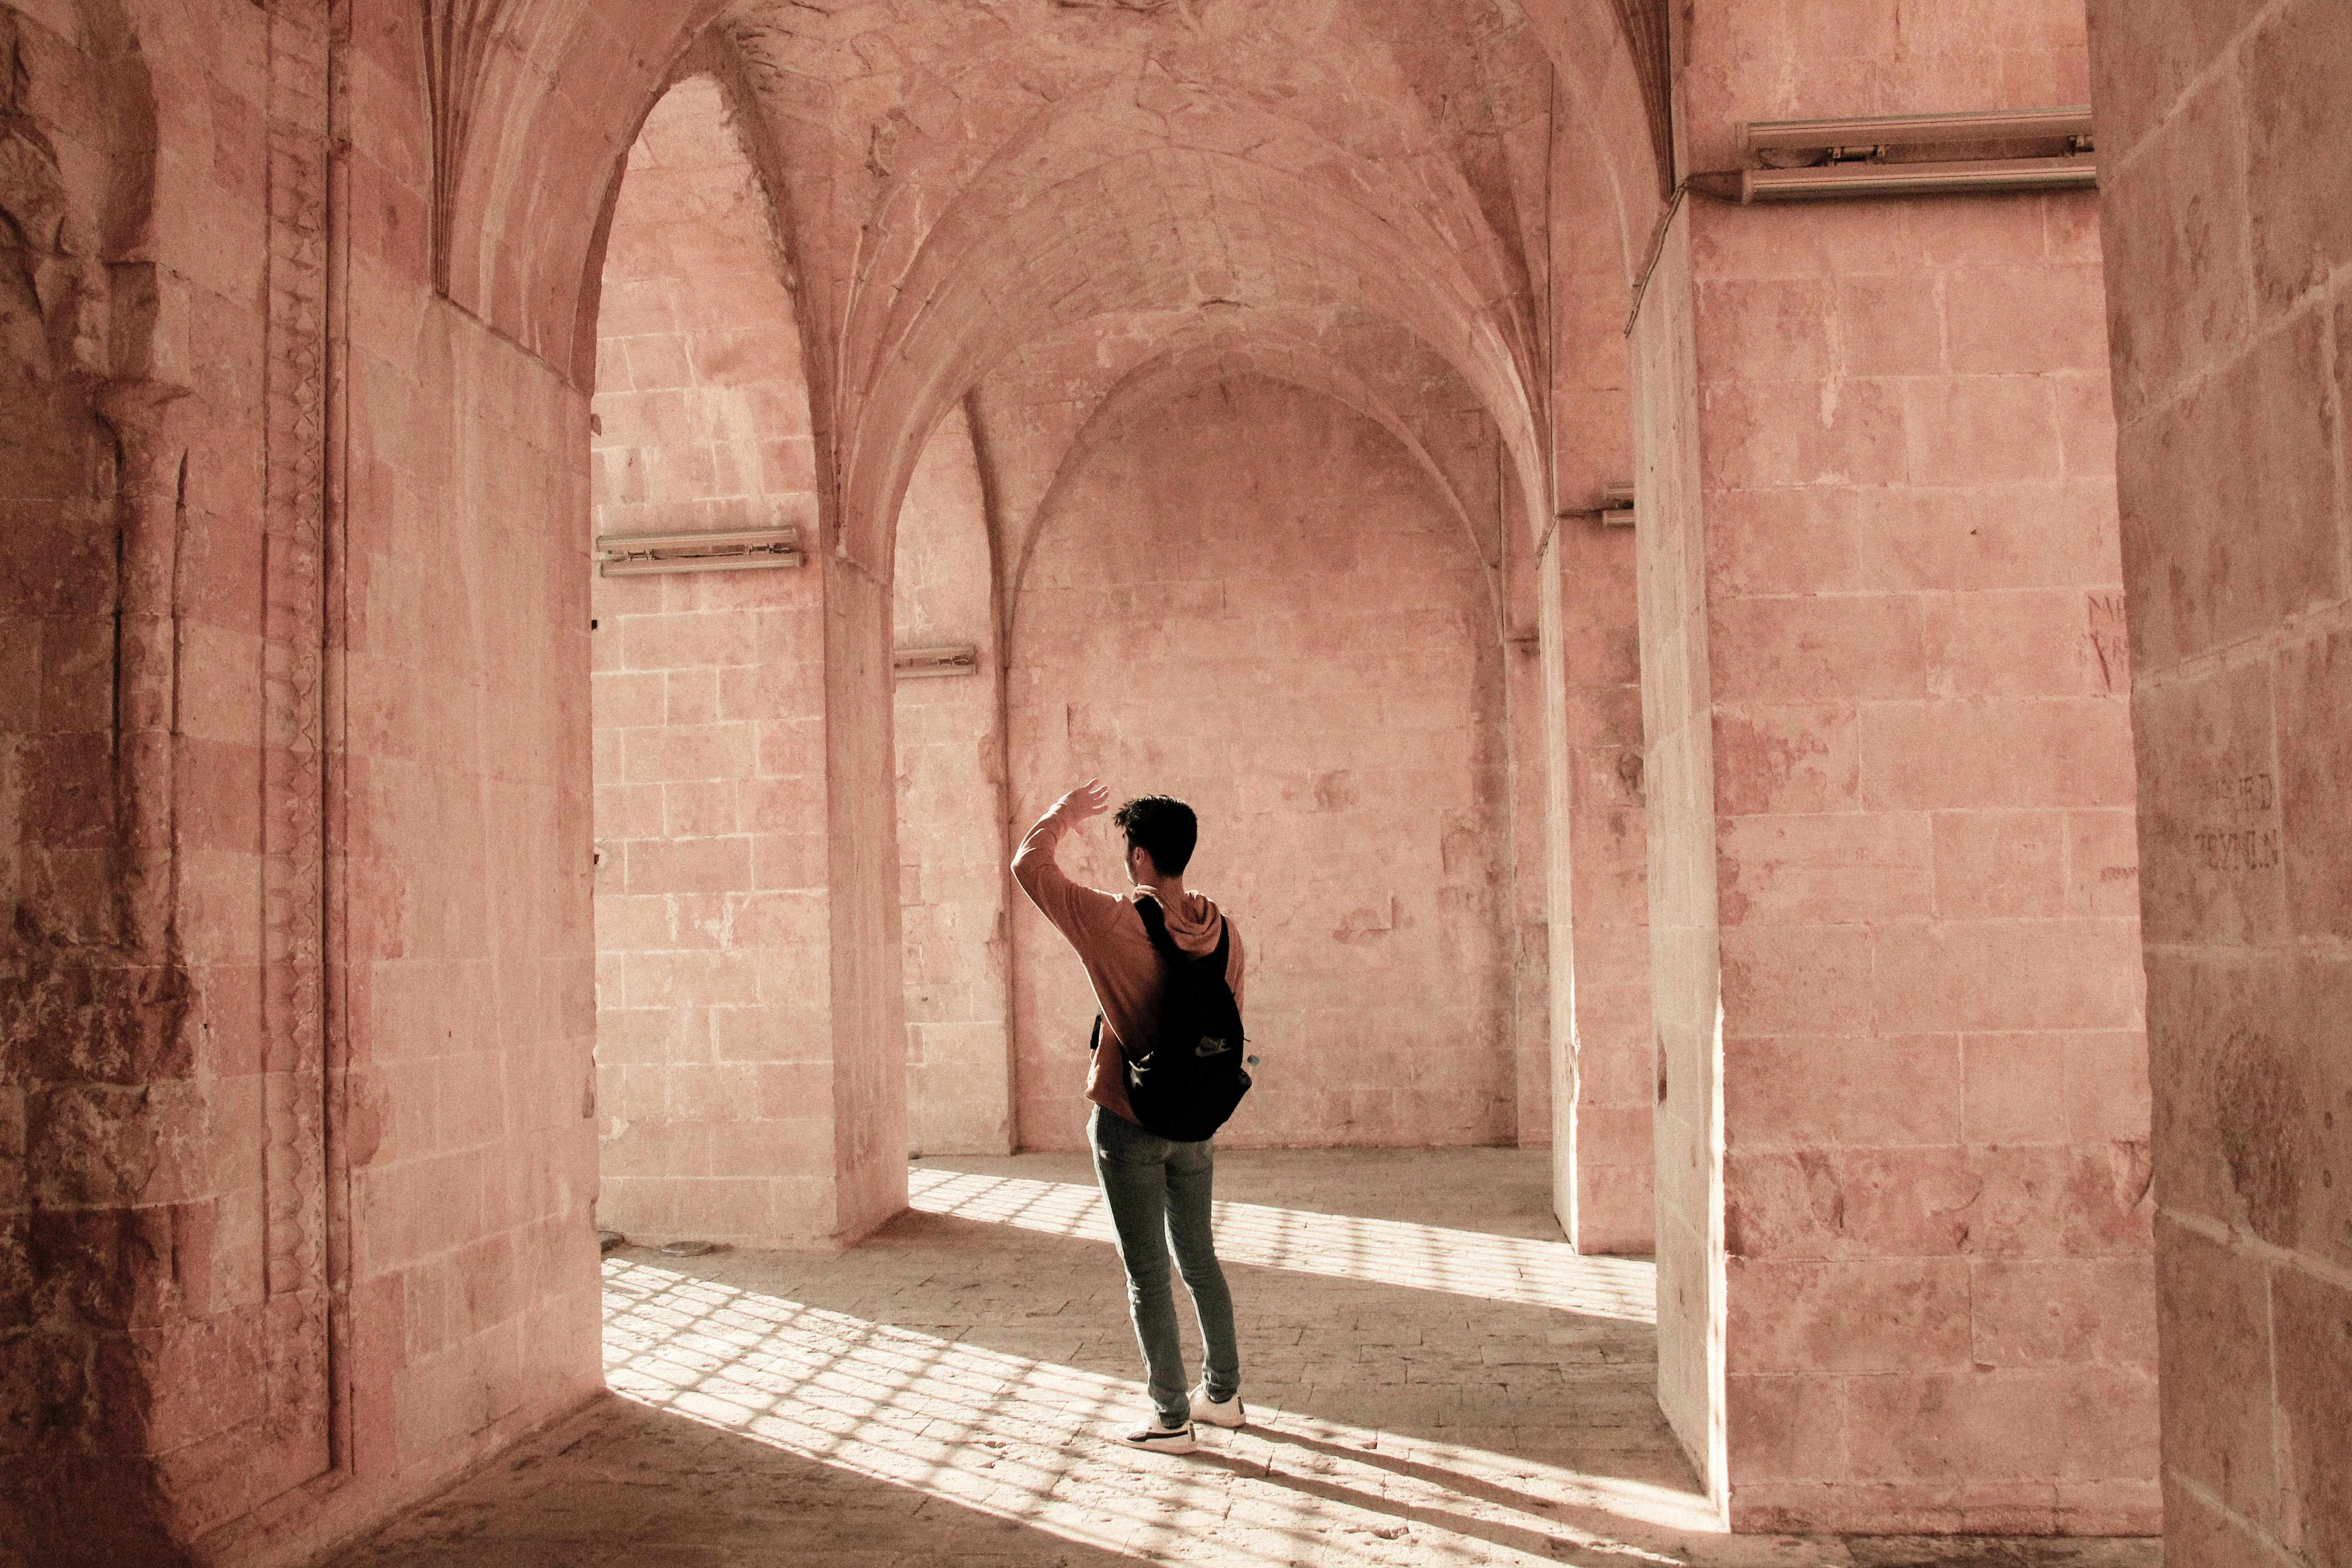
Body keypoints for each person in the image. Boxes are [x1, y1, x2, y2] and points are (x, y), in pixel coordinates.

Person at [1011, 780, 1247, 1454]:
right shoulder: (1223, 931)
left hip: (1130, 1119)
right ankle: (1223, 1397)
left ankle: (1170, 1419)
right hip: (1196, 1121)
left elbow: (1029, 865)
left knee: (1147, 1273)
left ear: (1140, 856)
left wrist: (1064, 814)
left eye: (1128, 850)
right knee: (1200, 1258)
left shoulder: (1112, 921)